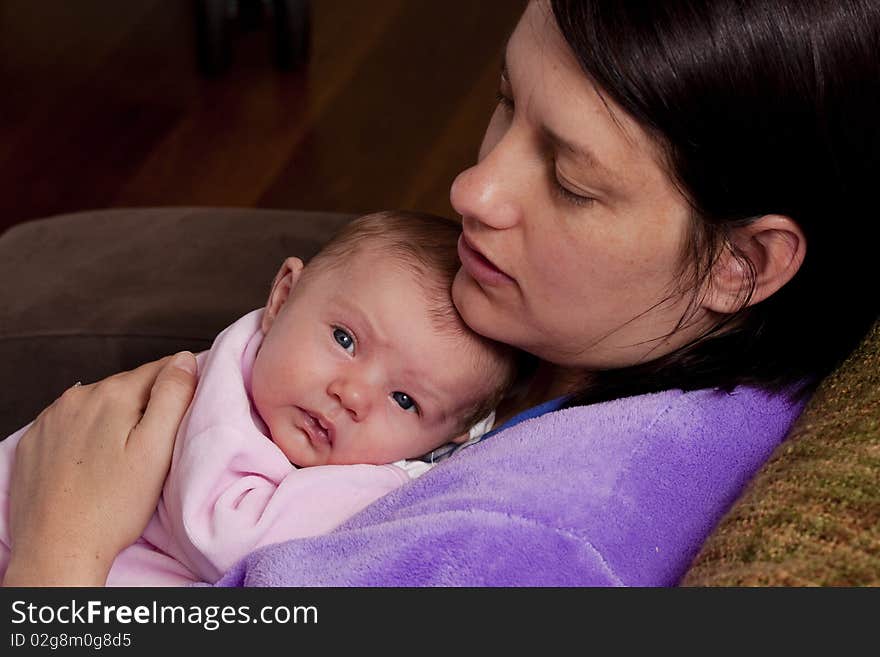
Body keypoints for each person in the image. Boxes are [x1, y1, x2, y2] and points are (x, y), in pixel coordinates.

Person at [3, 0, 878, 586]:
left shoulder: (520, 546)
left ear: (742, 264)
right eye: (506, 101)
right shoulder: (630, 344)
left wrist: (57, 544)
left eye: (570, 181)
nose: (472, 189)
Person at [0, 211, 515, 585]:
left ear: (451, 439)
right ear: (282, 298)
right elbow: (226, 541)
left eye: (404, 400)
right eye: (344, 340)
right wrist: (381, 488)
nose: (352, 394)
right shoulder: (223, 406)